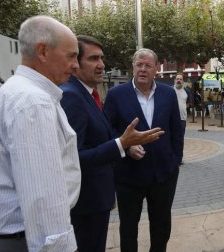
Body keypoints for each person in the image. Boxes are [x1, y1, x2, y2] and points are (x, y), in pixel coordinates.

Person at [60, 36, 164, 252]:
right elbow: (71, 157)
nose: (102, 65)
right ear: (74, 62)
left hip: (101, 197)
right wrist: (122, 144)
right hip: (86, 203)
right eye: (93, 58)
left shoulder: (88, 94)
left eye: (102, 58)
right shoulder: (71, 97)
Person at [0, 15, 81, 251]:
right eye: (71, 55)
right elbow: (43, 200)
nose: (76, 65)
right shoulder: (33, 103)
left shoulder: (16, 93)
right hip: (26, 240)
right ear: (43, 52)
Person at [104, 48, 183, 252]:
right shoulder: (115, 95)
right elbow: (107, 130)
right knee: (129, 228)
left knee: (162, 226)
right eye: (139, 64)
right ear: (132, 67)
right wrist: (126, 147)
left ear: (156, 69)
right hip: (129, 175)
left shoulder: (168, 93)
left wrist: (175, 161)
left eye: (148, 65)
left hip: (163, 175)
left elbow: (176, 129)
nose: (143, 69)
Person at [174, 72, 189, 165]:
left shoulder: (187, 91)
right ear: (175, 80)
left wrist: (183, 108)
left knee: (180, 139)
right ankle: (171, 157)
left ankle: (179, 158)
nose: (178, 80)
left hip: (182, 119)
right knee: (171, 138)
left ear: (183, 81)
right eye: (177, 79)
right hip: (172, 119)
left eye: (180, 79)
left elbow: (189, 103)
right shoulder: (170, 90)